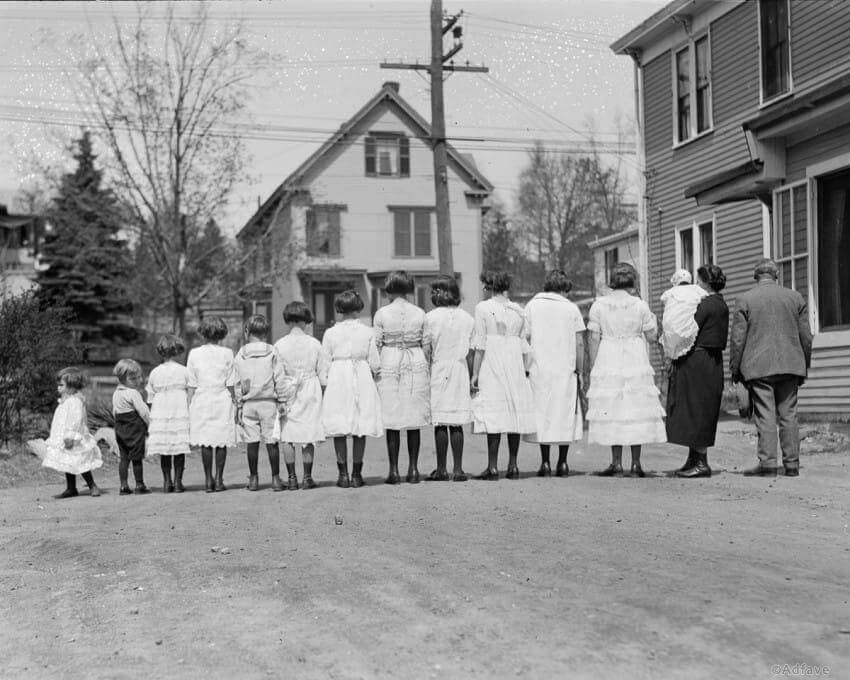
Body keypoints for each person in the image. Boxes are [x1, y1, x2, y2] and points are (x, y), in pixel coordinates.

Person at [729, 258, 813, 477]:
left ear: (756, 277)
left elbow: (738, 340)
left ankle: (768, 465)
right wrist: (804, 364)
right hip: (791, 364)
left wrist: (735, 370)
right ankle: (792, 465)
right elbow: (806, 336)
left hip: (758, 366)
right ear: (776, 275)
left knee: (765, 415)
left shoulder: (745, 299)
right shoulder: (795, 298)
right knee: (789, 414)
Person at [586, 262, 666, 476]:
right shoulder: (640, 305)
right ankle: (636, 463)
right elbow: (651, 336)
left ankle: (616, 462)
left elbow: (593, 337)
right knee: (634, 408)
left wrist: (594, 366)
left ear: (613, 282)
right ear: (632, 281)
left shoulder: (599, 305)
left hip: (608, 354)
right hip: (634, 355)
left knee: (613, 408)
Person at [470, 270, 536, 480]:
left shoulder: (483, 308)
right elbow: (525, 345)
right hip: (514, 362)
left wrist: (475, 372)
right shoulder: (518, 310)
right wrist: (524, 368)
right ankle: (513, 465)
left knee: (494, 412)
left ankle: (492, 467)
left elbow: (480, 344)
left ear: (490, 286)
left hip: (492, 362)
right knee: (513, 412)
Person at [665, 265, 729, 478]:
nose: (697, 285)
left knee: (698, 408)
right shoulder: (719, 303)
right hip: (709, 360)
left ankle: (701, 462)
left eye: (700, 281)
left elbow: (689, 328)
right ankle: (694, 458)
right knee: (698, 407)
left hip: (700, 360)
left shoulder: (706, 304)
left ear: (706, 283)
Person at [523, 269, 586, 477]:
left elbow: (526, 338)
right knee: (564, 413)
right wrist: (580, 369)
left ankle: (545, 462)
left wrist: (525, 366)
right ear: (563, 289)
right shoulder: (571, 309)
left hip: (539, 368)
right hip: (564, 368)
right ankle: (563, 462)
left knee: (544, 414)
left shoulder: (532, 306)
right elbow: (579, 342)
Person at [373, 270, 431, 484]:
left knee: (392, 417)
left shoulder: (382, 313)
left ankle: (394, 471)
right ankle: (414, 470)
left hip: (390, 359)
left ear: (389, 289)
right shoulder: (420, 312)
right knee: (414, 417)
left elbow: (377, 343)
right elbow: (426, 344)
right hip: (415, 359)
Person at [321, 290, 382, 488]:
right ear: (357, 308)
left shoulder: (330, 333)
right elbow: (374, 362)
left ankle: (343, 475)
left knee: (340, 426)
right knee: (360, 426)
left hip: (338, 376)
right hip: (361, 372)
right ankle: (356, 474)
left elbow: (324, 364)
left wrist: (324, 383)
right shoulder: (367, 331)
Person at [423, 276, 474, 482]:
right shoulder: (467, 318)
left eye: (436, 290)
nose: (434, 294)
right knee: (457, 421)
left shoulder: (430, 318)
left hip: (439, 367)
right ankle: (459, 469)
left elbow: (427, 350)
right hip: (460, 368)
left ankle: (442, 469)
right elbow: (471, 350)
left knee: (441, 420)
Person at [234, 315, 294, 491]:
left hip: (248, 404)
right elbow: (279, 378)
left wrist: (238, 404)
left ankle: (253, 479)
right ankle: (275, 479)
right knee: (271, 441)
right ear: (266, 332)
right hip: (268, 402)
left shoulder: (241, 353)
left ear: (247, 332)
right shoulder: (272, 351)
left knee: (252, 443)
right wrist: (283, 399)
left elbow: (237, 381)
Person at [274, 301, 328, 491]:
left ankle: (291, 478)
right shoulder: (314, 343)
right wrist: (323, 391)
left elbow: (278, 374)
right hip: (310, 387)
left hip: (288, 388)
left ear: (288, 320)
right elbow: (322, 373)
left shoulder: (279, 344)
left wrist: (279, 395)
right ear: (306, 320)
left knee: (287, 434)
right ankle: (307, 477)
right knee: (308, 434)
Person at [28, 367, 102, 499]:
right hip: (63, 437)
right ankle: (71, 487)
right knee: (67, 461)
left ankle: (92, 485)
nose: (58, 387)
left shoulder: (74, 402)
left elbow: (76, 421)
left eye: (61, 385)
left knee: (79, 461)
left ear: (72, 386)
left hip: (73, 437)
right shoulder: (65, 400)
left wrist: (71, 436)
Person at [187, 316, 238, 493]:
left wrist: (188, 405)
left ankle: (208, 479)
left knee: (206, 441)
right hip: (222, 397)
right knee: (221, 440)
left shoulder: (194, 353)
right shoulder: (228, 353)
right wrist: (235, 401)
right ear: (222, 333)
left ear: (203, 333)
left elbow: (191, 383)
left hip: (201, 398)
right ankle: (219, 479)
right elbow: (231, 382)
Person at [145, 334, 191, 493]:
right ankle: (178, 482)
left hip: (160, 410)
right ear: (178, 351)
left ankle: (167, 481)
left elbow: (150, 397)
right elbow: (190, 391)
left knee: (165, 448)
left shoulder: (155, 372)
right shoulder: (184, 371)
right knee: (179, 446)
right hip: (178, 409)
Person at [112, 358, 151, 495]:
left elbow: (114, 412)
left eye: (138, 377)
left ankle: (123, 486)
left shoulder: (116, 393)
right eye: (133, 378)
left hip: (120, 428)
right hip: (134, 428)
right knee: (136, 457)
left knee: (124, 458)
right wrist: (150, 425)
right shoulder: (133, 393)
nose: (137, 381)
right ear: (122, 378)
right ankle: (139, 484)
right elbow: (143, 411)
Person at [660, 268, 709, 360]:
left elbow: (663, 298)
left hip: (671, 332)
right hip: (688, 331)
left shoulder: (669, 292)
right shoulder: (696, 289)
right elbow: (706, 295)